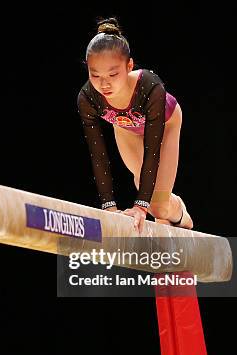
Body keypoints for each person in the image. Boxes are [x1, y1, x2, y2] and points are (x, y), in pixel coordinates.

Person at [77, 16, 193, 234]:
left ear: (129, 65)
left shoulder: (149, 86)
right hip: (126, 129)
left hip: (165, 125)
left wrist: (140, 207)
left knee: (156, 206)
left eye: (113, 74)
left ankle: (181, 214)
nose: (104, 83)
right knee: (146, 188)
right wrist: (109, 207)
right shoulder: (87, 98)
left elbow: (152, 150)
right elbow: (98, 155)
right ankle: (166, 216)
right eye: (95, 75)